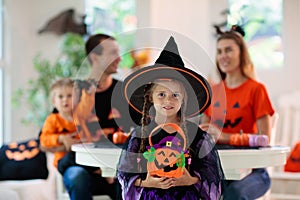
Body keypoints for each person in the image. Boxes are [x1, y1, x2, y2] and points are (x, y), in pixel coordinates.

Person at [117, 36, 224, 200]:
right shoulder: (140, 135)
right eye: (161, 94)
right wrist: (147, 182)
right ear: (151, 97)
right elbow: (125, 174)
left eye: (175, 95)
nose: (168, 100)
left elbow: (211, 176)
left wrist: (190, 179)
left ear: (184, 99)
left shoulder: (196, 135)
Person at [200, 25, 275, 200]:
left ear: (241, 54)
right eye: (219, 52)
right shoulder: (213, 92)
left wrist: (224, 136)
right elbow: (205, 136)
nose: (223, 56)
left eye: (228, 50)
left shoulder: (256, 89)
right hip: (220, 168)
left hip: (254, 172)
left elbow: (265, 139)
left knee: (234, 194)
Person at [40, 78, 117, 200]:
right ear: (54, 101)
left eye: (69, 96)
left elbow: (87, 104)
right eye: (61, 97)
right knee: (75, 164)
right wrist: (61, 138)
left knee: (116, 181)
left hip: (88, 159)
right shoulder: (53, 120)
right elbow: (44, 139)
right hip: (68, 163)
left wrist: (89, 92)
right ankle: (99, 170)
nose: (65, 100)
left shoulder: (80, 115)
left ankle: (101, 171)